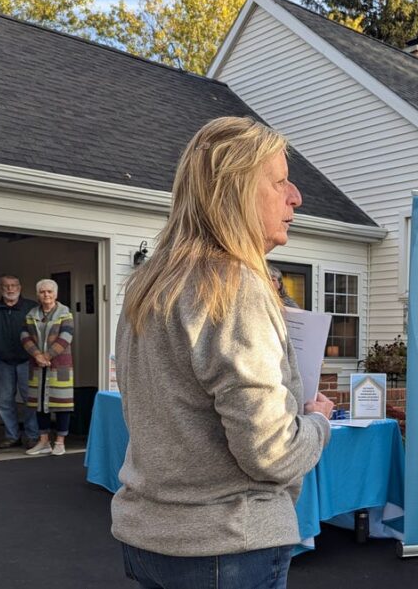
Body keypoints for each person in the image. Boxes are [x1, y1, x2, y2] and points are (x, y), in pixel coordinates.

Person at [112, 116, 334, 589]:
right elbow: (270, 454)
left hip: (150, 535)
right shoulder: (232, 285)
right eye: (279, 182)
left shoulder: (150, 284)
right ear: (235, 190)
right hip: (225, 545)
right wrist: (318, 424)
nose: (296, 196)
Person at [0, 274, 40, 449]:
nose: (10, 289)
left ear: (20, 287)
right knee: (5, 401)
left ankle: (32, 435)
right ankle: (12, 436)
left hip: (27, 362)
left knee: (31, 400)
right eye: (6, 286)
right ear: (0, 288)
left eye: (14, 285)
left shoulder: (32, 308)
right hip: (3, 362)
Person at [20, 279, 74, 456]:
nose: (46, 295)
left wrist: (47, 356)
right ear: (38, 295)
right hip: (37, 366)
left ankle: (60, 442)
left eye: (50, 292)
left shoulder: (65, 313)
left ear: (56, 294)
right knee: (39, 405)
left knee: (62, 404)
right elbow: (24, 335)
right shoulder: (31, 314)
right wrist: (37, 355)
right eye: (42, 292)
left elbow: (66, 336)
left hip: (60, 367)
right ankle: (43, 442)